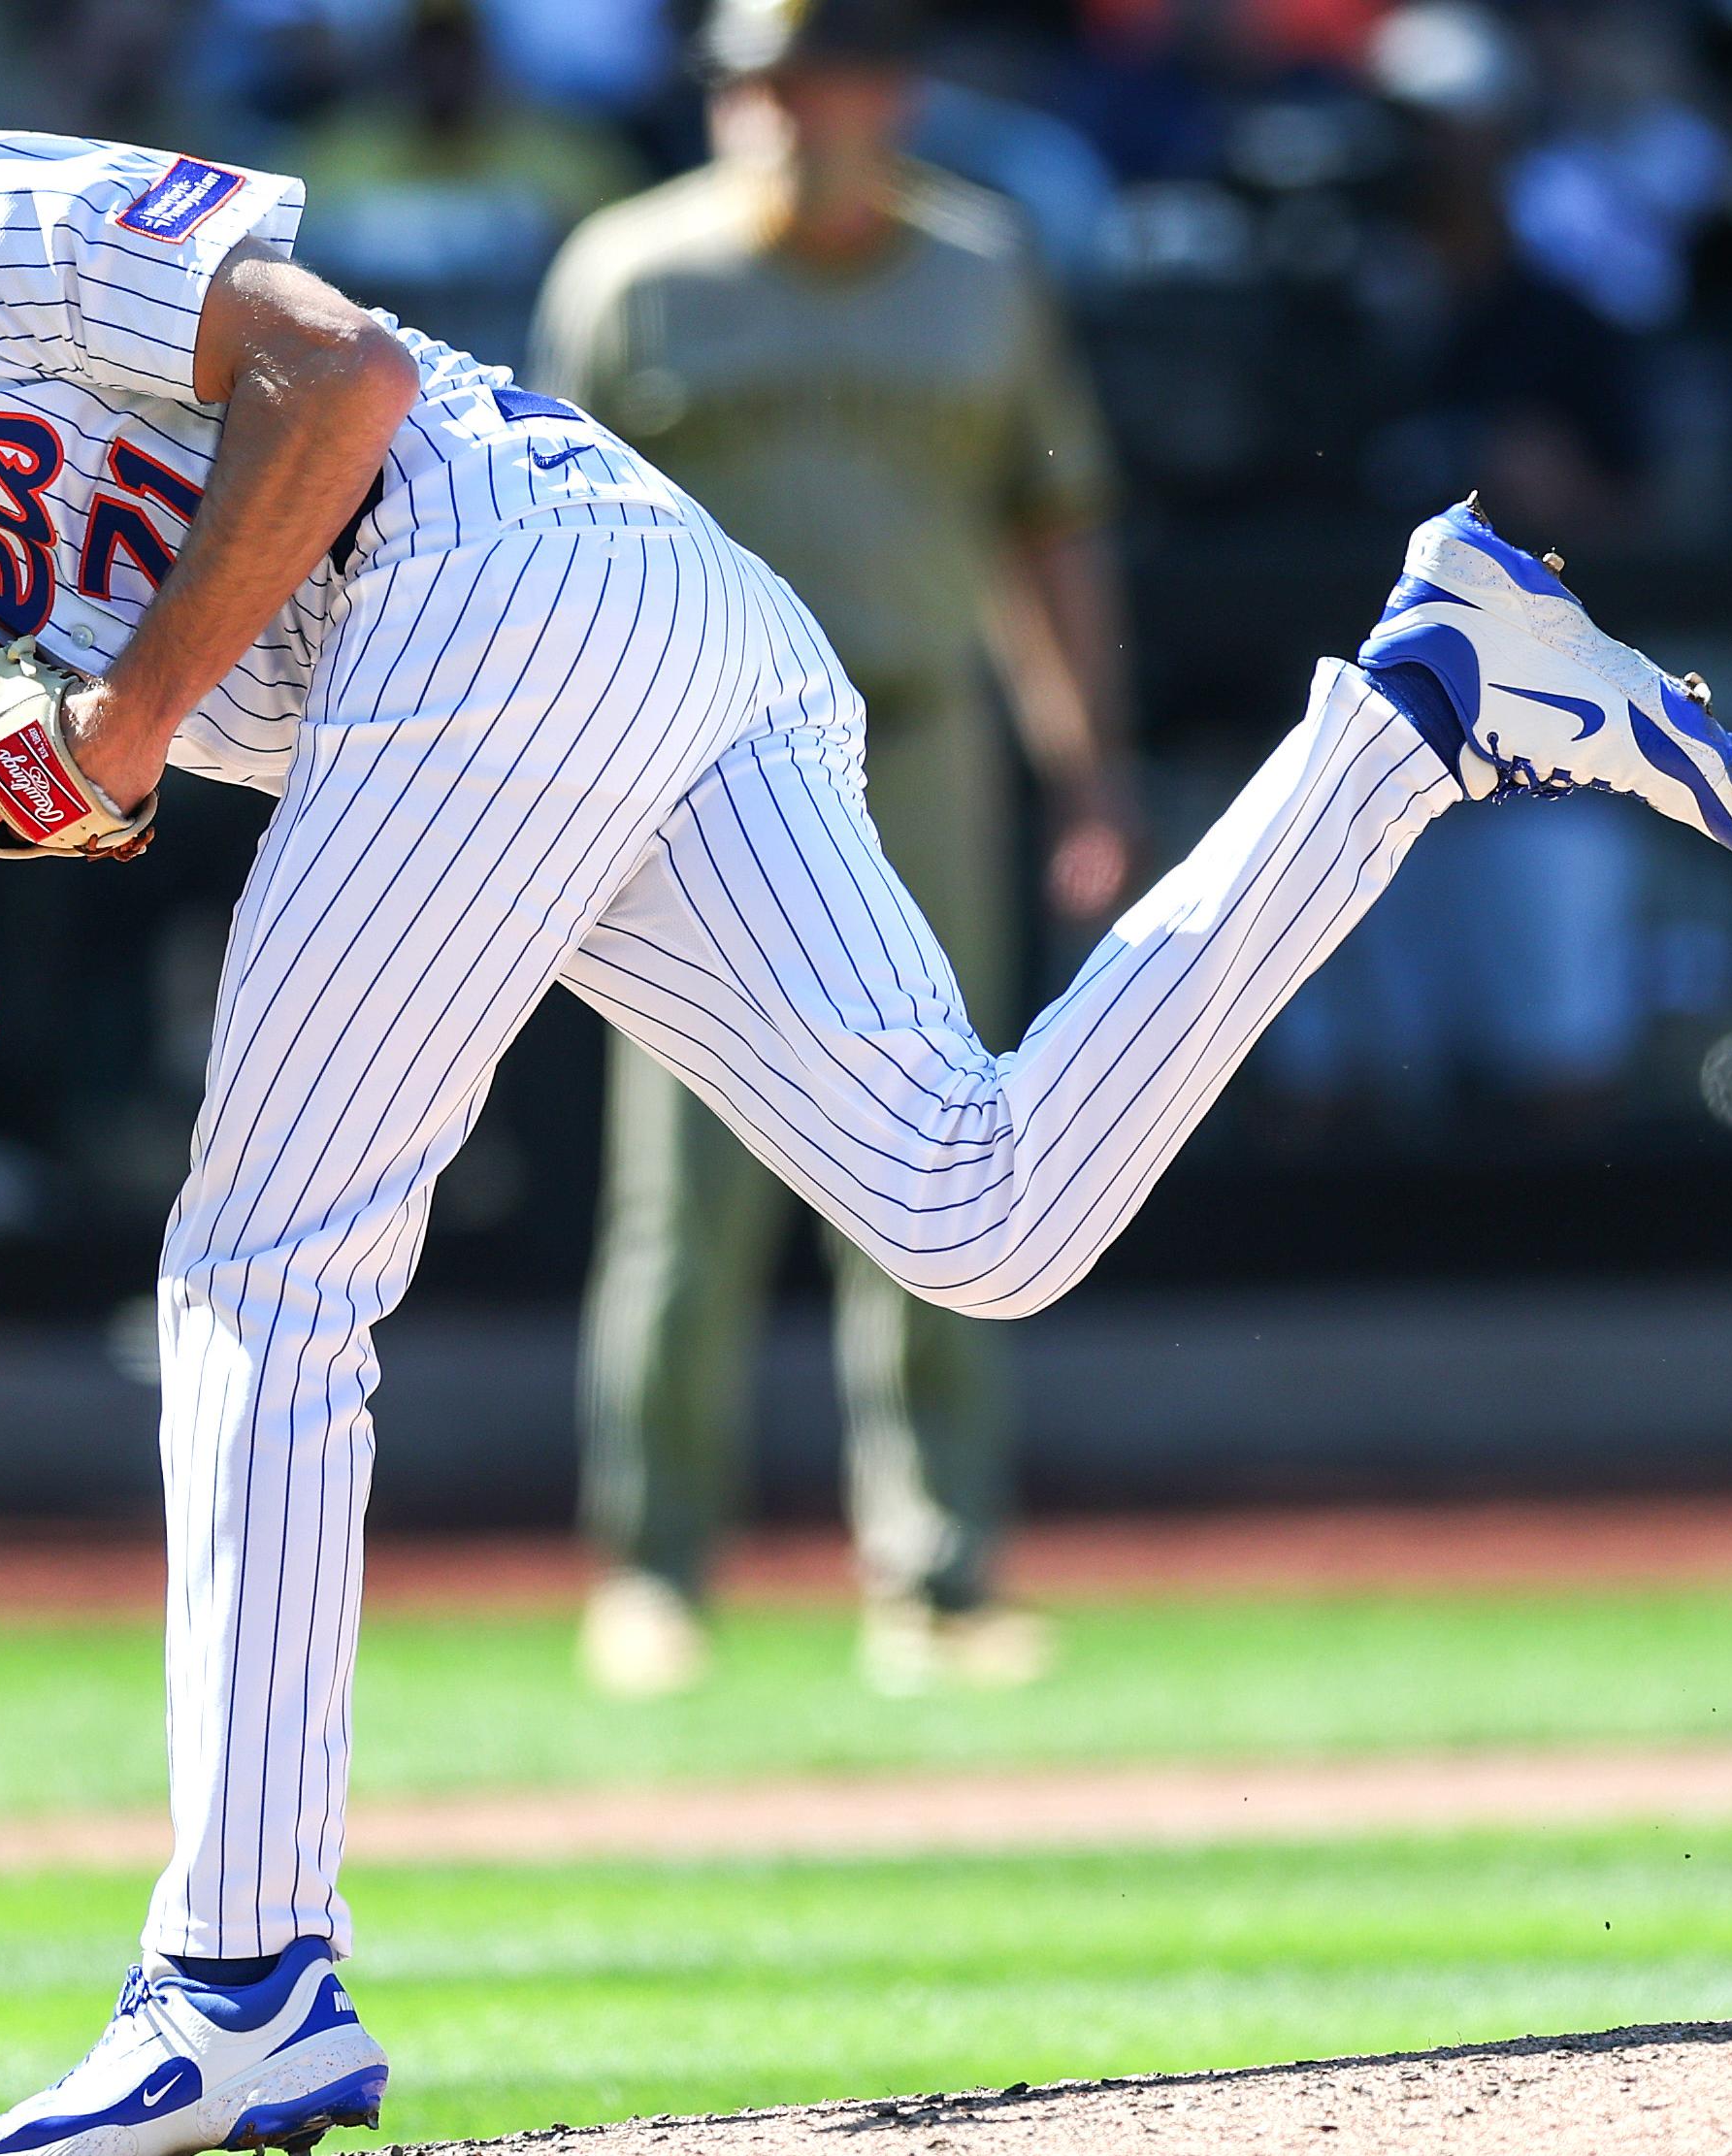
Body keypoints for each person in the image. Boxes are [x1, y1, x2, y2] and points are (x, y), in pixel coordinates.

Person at [0, 116, 1732, 2156]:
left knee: (256, 1265)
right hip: (619, 655)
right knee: (981, 1208)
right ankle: (1431, 694)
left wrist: (124, 726)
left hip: (508, 573)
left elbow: (337, 376)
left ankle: (239, 1971)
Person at [533, 0, 1137, 1701]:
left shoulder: (980, 265)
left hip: (924, 730)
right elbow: (526, 538)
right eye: (761, 81)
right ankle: (652, 1571)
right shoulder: (632, 273)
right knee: (685, 1186)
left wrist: (1087, 767)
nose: (795, 111)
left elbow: (1054, 518)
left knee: (949, 1151)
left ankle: (936, 1578)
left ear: (899, 88)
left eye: (828, 74)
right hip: (696, 766)